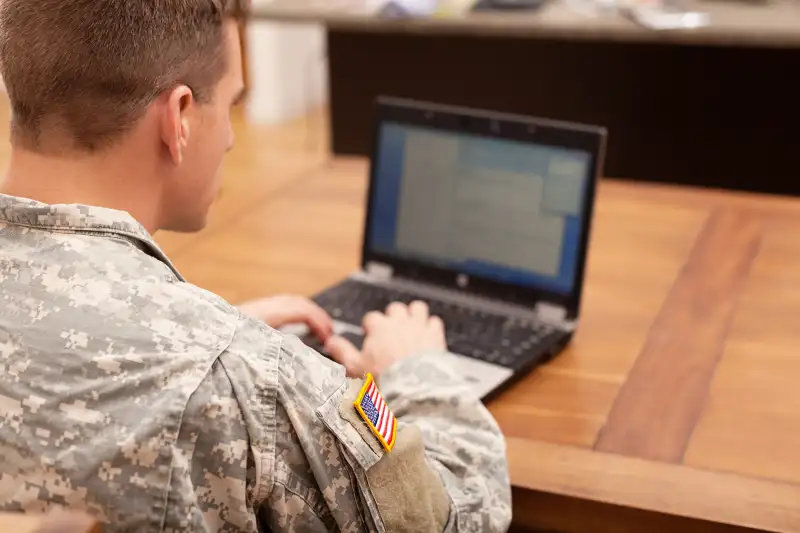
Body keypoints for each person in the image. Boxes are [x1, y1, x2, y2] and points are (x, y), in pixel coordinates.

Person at [0, 0, 512, 532]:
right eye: (231, 103)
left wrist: (217, 335)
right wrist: (420, 370)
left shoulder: (229, 368)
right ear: (179, 119)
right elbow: (453, 520)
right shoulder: (249, 381)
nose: (229, 135)